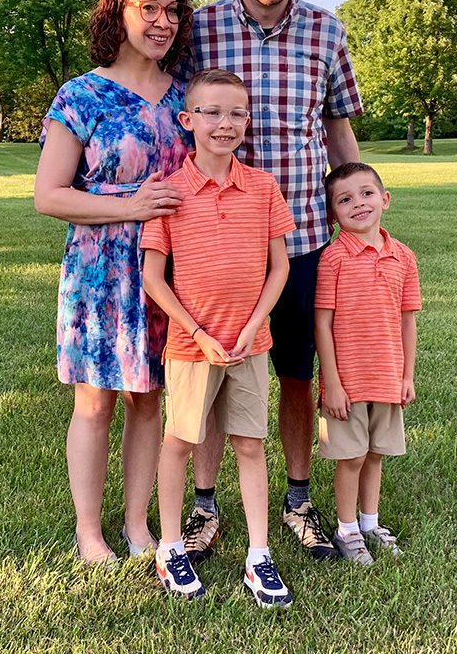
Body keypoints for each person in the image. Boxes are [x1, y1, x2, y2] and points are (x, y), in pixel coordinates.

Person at [173, 0, 362, 561]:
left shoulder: (326, 31)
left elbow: (339, 128)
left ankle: (299, 500)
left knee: (295, 373)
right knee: (208, 369)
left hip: (303, 235)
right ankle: (203, 508)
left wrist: (358, 207)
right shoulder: (201, 31)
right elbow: (178, 118)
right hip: (214, 245)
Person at [34, 0, 193, 564]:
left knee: (151, 397)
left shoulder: (186, 95)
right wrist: (130, 203)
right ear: (117, 12)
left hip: (166, 272)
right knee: (96, 401)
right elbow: (49, 195)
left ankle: (137, 525)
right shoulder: (82, 93)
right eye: (147, 8)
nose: (161, 21)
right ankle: (89, 531)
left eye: (171, 9)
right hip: (100, 271)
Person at [141, 69, 295, 606]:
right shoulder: (169, 192)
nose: (224, 123)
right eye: (211, 112)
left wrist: (253, 327)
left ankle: (259, 557)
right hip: (192, 346)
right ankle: (169, 547)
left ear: (247, 122)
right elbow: (153, 278)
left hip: (251, 344)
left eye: (236, 113)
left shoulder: (263, 187)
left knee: (250, 445)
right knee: (180, 442)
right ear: (188, 120)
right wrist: (200, 333)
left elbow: (279, 269)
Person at [315, 162, 421, 564]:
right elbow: (321, 326)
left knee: (375, 454)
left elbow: (406, 319)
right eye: (345, 200)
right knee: (352, 456)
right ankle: (346, 532)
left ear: (385, 199)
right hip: (348, 381)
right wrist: (333, 385)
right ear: (333, 214)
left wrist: (407, 375)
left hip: (388, 376)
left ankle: (369, 522)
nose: (358, 204)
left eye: (366, 194)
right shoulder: (334, 259)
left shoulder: (404, 257)